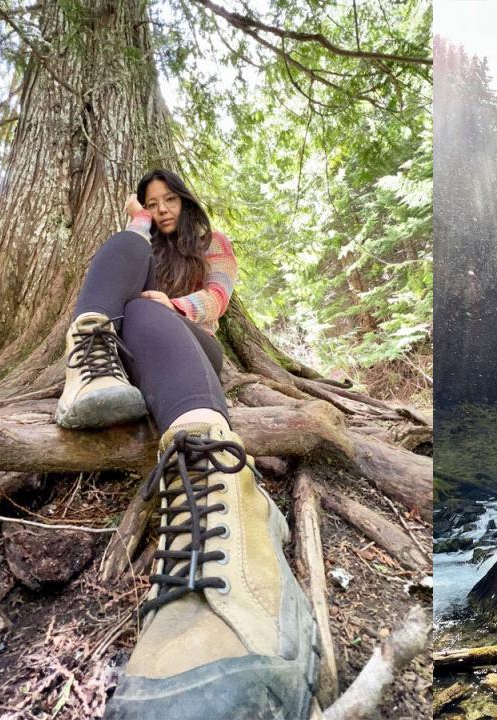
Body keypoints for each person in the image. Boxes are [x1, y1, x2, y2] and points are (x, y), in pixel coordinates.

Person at [55, 169, 319, 719]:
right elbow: (128, 256)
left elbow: (216, 300)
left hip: (197, 353)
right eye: (152, 203)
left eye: (168, 199)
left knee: (147, 307)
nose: (162, 209)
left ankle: (224, 488)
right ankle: (88, 369)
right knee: (125, 250)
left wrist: (168, 304)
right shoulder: (141, 246)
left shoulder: (210, 246)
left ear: (185, 199)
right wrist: (136, 225)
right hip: (133, 358)